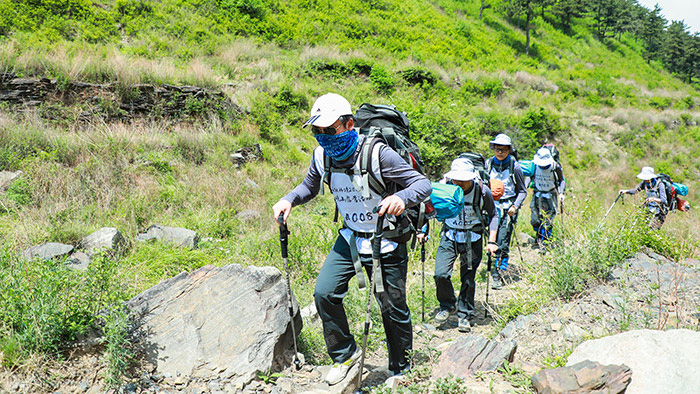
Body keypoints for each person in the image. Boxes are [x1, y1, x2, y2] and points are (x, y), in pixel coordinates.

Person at [272, 93, 431, 385]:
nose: (323, 137)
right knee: (324, 293)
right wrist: (289, 199)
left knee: (392, 306)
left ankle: (401, 368)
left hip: (387, 238)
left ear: (349, 124)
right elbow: (310, 184)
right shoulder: (322, 156)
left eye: (329, 130)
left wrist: (400, 197)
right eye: (317, 131)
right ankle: (345, 355)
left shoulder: (378, 153)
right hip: (351, 237)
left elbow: (422, 184)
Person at [428, 158, 498, 332]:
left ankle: (465, 314)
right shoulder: (443, 188)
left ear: (471, 178)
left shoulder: (482, 191)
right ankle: (447, 305)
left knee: (467, 278)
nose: (458, 183)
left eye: (463, 180)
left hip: (472, 239)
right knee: (441, 274)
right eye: (456, 179)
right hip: (449, 237)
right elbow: (429, 207)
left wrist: (491, 241)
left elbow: (494, 215)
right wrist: (423, 230)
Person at [485, 134, 527, 289]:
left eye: (503, 149)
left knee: (502, 241)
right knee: (489, 240)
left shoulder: (514, 166)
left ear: (509, 150)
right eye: (497, 149)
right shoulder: (488, 164)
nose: (500, 152)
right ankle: (493, 268)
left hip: (507, 208)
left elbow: (522, 191)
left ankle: (498, 273)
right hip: (490, 207)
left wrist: (514, 206)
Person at [530, 147, 565, 250]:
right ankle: (538, 236)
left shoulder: (555, 167)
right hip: (537, 195)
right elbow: (530, 177)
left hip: (550, 196)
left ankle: (544, 242)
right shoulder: (535, 166)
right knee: (535, 219)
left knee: (548, 221)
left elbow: (561, 180)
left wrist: (561, 193)